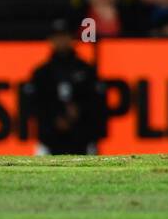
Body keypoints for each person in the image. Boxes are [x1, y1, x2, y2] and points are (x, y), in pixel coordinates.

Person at [22, 20, 108, 155]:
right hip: (49, 139)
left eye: (64, 36)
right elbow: (32, 104)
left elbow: (98, 102)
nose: (61, 41)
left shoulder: (86, 70)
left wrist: (79, 110)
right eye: (57, 37)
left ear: (71, 38)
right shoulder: (41, 73)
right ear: (51, 40)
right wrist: (54, 117)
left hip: (82, 139)